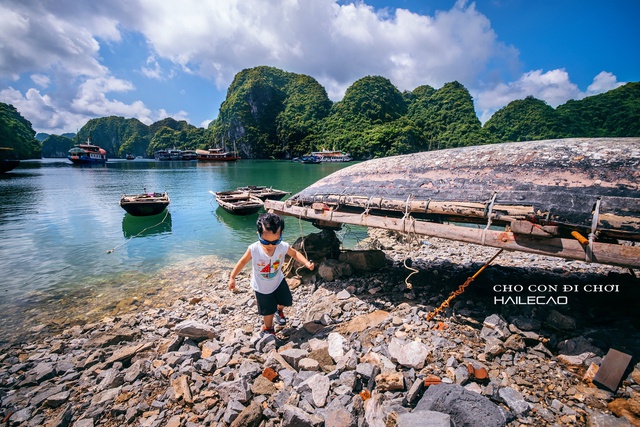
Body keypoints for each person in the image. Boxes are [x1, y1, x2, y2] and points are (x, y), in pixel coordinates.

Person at [228, 212, 315, 337]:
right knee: (267, 311)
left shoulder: (282, 246)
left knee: (285, 300)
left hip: (278, 281)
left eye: (275, 241)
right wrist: (232, 277)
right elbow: (242, 262)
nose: (270, 245)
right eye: (266, 241)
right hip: (262, 287)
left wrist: (306, 262)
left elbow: (295, 254)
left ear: (281, 236)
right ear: (258, 235)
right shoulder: (254, 249)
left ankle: (279, 311)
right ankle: (268, 328)